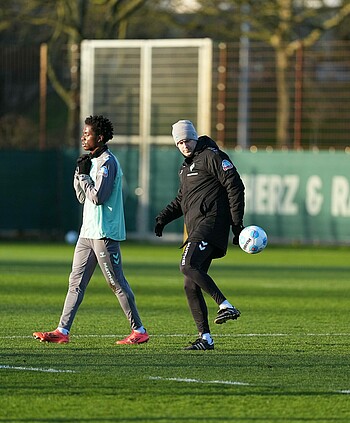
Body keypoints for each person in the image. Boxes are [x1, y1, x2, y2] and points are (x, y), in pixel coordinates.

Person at [33, 115, 149, 345]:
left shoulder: (108, 162)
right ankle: (62, 331)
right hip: (87, 232)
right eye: (84, 133)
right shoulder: (92, 161)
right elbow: (81, 197)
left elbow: (98, 197)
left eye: (87, 134)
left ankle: (139, 330)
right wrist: (78, 174)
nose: (83, 137)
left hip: (104, 234)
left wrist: (85, 176)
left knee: (116, 283)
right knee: (75, 283)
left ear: (100, 137)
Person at [155, 120, 244, 350]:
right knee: (190, 285)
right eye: (180, 142)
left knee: (187, 265)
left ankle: (225, 305)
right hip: (196, 228)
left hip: (212, 224)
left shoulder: (212, 156)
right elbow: (181, 201)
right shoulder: (185, 168)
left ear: (195, 137)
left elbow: (235, 186)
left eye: (187, 140)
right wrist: (163, 218)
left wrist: (237, 225)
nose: (184, 145)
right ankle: (205, 338)